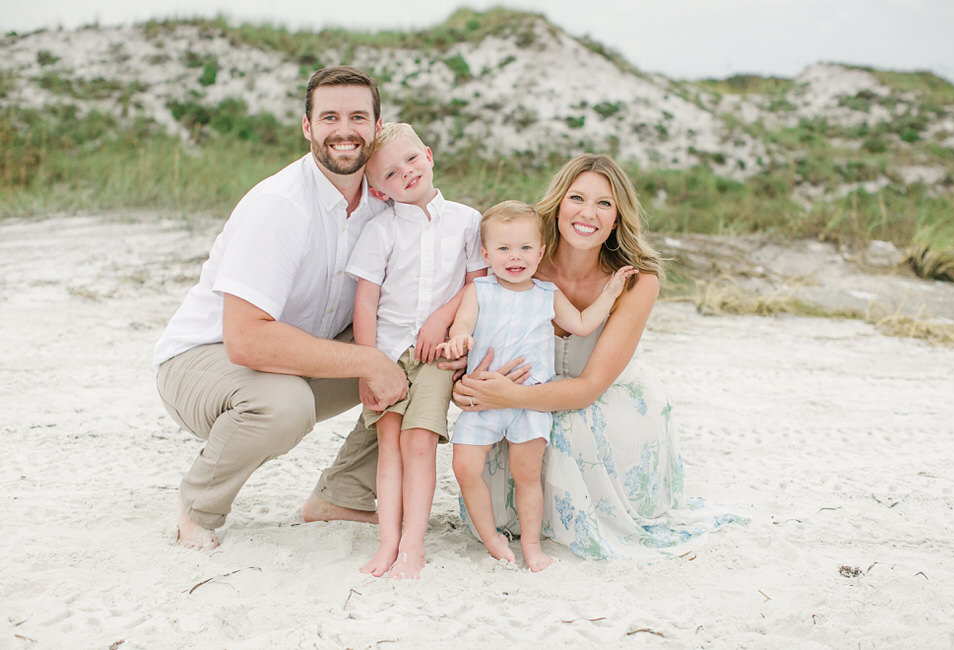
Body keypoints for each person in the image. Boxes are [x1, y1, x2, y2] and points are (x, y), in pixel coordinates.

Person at [153, 67, 465, 550]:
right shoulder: (280, 206)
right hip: (204, 361)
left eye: (358, 116)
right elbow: (246, 340)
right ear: (308, 127)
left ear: (376, 127)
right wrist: (368, 361)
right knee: (285, 406)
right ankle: (198, 506)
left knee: (422, 359)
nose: (345, 130)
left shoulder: (385, 203)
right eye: (330, 117)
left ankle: (342, 495)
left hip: (297, 354)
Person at [452, 154, 743, 560]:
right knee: (489, 475)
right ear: (557, 204)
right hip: (520, 396)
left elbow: (589, 387)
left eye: (604, 203)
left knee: (563, 434)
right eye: (577, 198)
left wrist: (508, 397)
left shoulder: (637, 279)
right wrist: (467, 389)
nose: (588, 213)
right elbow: (473, 339)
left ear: (618, 216)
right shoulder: (518, 259)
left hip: (603, 400)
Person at [438, 200, 634, 571]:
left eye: (526, 248)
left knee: (526, 474)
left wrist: (609, 294)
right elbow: (462, 326)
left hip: (529, 401)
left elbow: (581, 324)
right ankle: (491, 537)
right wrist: (458, 340)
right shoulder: (479, 290)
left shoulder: (547, 294)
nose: (516, 257)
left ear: (541, 251)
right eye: (504, 248)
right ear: (486, 253)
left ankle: (531, 543)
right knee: (465, 466)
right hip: (483, 398)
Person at [348, 122, 487, 578]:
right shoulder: (380, 229)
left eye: (410, 160)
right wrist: (368, 367)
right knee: (389, 445)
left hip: (435, 355)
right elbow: (365, 301)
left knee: (420, 443)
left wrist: (441, 317)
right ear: (380, 191)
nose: (405, 173)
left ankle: (414, 545)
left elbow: (476, 284)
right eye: (389, 174)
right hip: (387, 353)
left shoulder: (467, 221)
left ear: (428, 155)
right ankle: (387, 543)